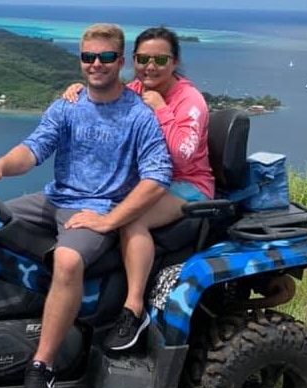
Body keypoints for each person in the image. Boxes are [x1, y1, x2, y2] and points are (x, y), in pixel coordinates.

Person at [0, 23, 172, 388]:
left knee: (67, 259)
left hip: (95, 207)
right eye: (88, 57)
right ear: (80, 60)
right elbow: (33, 149)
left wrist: (111, 219)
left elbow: (158, 176)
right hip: (54, 198)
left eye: (106, 57)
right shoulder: (68, 105)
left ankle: (41, 367)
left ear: (121, 61)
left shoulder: (138, 116)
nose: (96, 64)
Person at [61, 26, 214, 351]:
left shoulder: (190, 100)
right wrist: (80, 89)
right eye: (143, 59)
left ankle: (133, 308)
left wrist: (161, 109)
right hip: (146, 181)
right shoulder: (132, 89)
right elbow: (105, 101)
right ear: (133, 59)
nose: (150, 67)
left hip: (186, 186)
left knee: (130, 218)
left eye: (160, 59)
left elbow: (181, 156)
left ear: (174, 62)